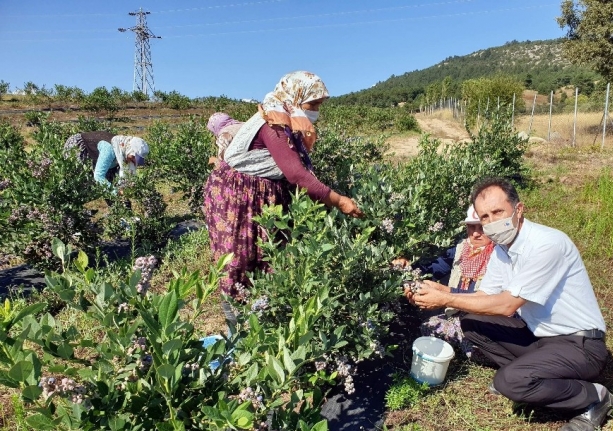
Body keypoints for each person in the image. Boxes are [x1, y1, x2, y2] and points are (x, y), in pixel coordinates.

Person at [405, 177, 613, 431]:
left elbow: (506, 305)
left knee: (509, 382)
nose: (491, 223)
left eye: (497, 212)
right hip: (540, 338)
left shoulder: (547, 244)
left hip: (581, 346)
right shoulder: (503, 249)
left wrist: (446, 298)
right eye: (484, 217)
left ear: (519, 209)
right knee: (470, 323)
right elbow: (484, 296)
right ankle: (533, 376)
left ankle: (594, 398)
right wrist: (442, 289)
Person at [203, 70, 363, 301]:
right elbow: (297, 174)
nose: (316, 110)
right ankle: (237, 320)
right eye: (313, 104)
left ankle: (263, 310)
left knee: (268, 257)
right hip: (240, 198)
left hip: (256, 194)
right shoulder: (273, 123)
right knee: (242, 258)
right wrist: (339, 201)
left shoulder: (282, 118)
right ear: (295, 98)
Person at [393, 204, 494, 358]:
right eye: (471, 227)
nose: (475, 234)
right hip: (457, 314)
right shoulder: (461, 249)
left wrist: (443, 294)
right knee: (429, 328)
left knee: (475, 341)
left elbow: (489, 298)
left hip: (485, 316)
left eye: (481, 228)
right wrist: (409, 268)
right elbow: (435, 267)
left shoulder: (499, 256)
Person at [63, 132, 149, 190]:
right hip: (79, 146)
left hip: (100, 154)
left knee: (110, 181)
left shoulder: (122, 149)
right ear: (129, 149)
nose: (134, 162)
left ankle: (119, 212)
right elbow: (98, 176)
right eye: (134, 157)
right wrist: (116, 192)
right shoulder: (110, 149)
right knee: (81, 183)